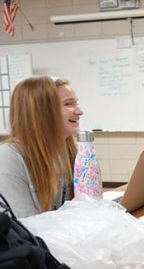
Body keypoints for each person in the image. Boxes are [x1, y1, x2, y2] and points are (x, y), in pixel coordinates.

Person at [0, 77, 84, 218]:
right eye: (68, 104)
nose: (80, 111)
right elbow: (28, 229)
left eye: (76, 103)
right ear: (42, 112)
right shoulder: (8, 158)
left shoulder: (66, 151)